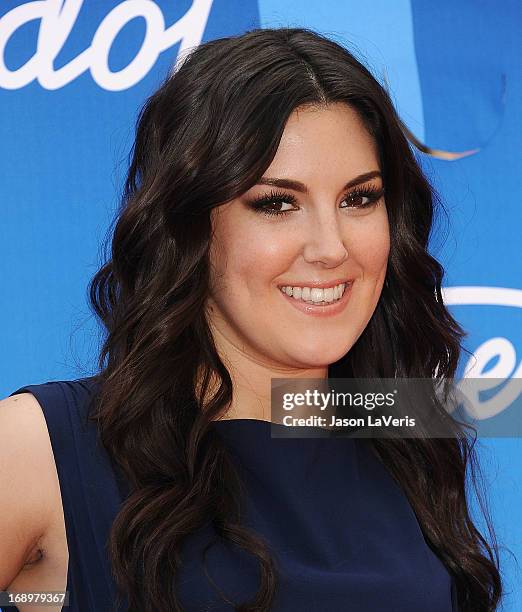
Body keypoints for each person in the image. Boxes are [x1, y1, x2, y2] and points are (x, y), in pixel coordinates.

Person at [0, 26, 502, 612]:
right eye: (276, 203)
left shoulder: (408, 424)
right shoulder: (41, 447)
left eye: (359, 198)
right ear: (189, 227)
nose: (330, 247)